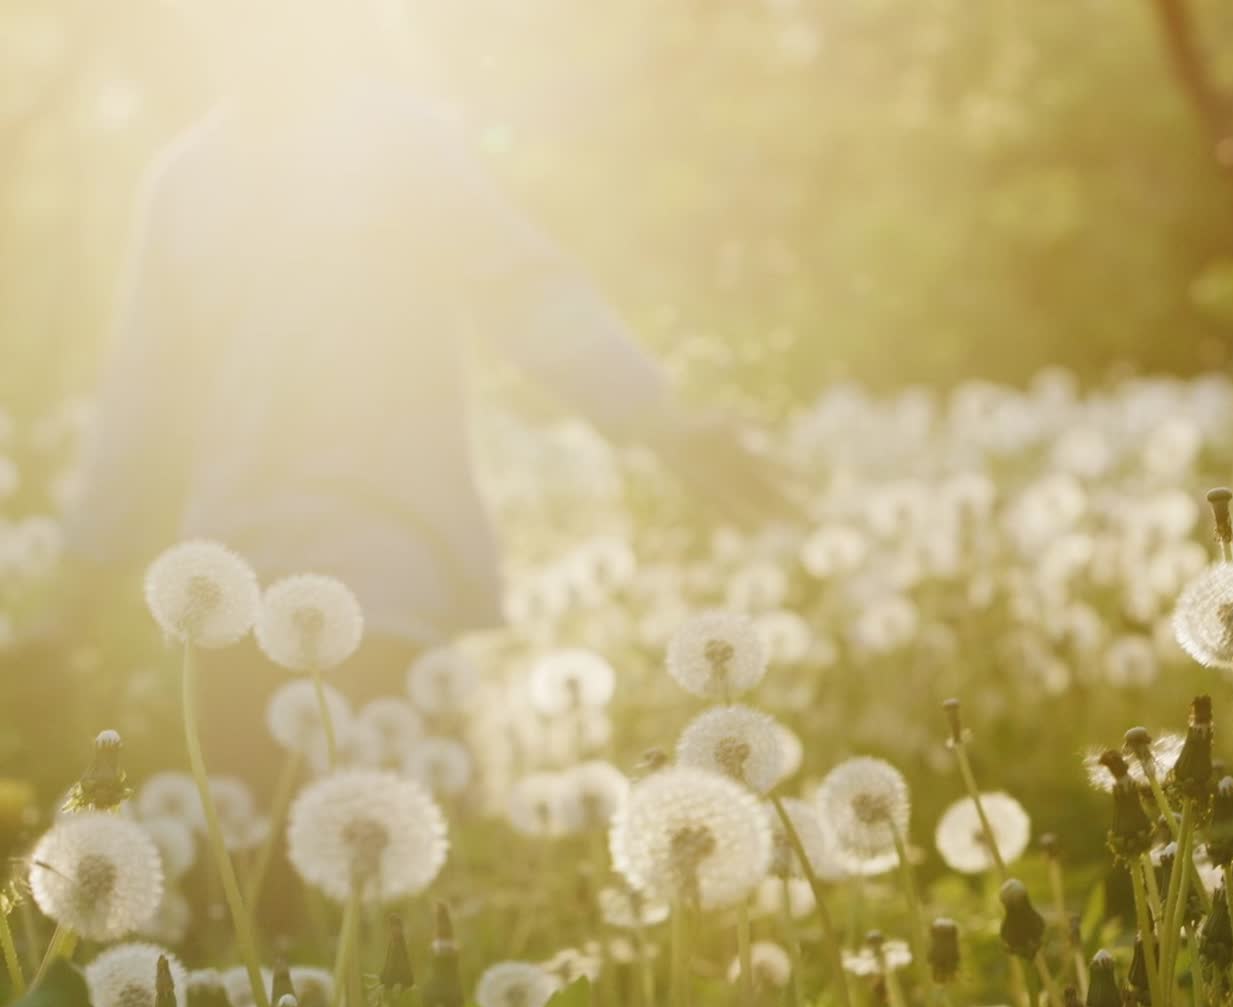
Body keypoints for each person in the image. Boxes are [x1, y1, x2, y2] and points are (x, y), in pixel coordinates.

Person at [65, 2, 789, 665]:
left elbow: (524, 291)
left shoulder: (402, 143)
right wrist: (81, 591)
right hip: (231, 578)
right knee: (242, 805)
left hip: (385, 554)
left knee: (383, 782)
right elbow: (144, 393)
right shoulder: (183, 182)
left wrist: (656, 419)